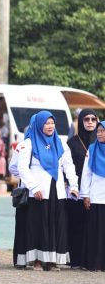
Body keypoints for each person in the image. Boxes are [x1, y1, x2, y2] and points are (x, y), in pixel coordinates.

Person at [15, 111, 78, 271]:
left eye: (52, 123)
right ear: (39, 125)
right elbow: (22, 168)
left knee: (55, 224)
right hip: (38, 191)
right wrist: (33, 187)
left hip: (57, 190)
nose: (50, 126)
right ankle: (37, 260)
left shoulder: (60, 143)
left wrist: (74, 186)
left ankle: (51, 261)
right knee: (38, 225)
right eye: (46, 123)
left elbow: (69, 165)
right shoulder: (29, 143)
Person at [66, 109, 98, 269]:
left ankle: (90, 259)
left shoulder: (101, 141)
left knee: (93, 226)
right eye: (86, 119)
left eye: (93, 119)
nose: (90, 122)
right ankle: (76, 259)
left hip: (97, 191)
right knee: (76, 225)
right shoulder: (72, 143)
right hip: (76, 191)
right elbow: (66, 166)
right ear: (80, 121)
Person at [81, 121, 105, 271]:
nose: (100, 133)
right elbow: (86, 173)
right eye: (99, 131)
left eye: (103, 131)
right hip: (96, 196)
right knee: (96, 232)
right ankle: (95, 263)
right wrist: (85, 195)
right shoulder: (92, 149)